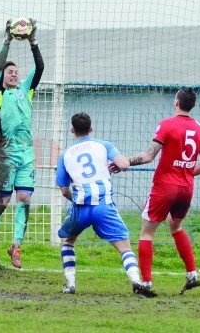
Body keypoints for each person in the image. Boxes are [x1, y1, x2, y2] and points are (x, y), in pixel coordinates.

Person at [123, 87, 200, 296]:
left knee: (147, 232)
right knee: (176, 226)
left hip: (165, 186)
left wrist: (124, 162)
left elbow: (148, 156)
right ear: (194, 106)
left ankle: (145, 284)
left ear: (176, 103)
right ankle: (192, 274)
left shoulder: (167, 125)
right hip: (186, 188)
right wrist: (187, 173)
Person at [55, 113, 153, 296]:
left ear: (72, 130)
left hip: (80, 208)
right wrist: (119, 165)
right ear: (91, 129)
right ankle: (136, 281)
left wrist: (77, 200)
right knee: (124, 247)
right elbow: (123, 164)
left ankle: (70, 284)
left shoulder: (65, 155)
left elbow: (63, 190)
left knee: (68, 241)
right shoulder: (103, 145)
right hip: (104, 206)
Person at [0, 18, 44, 268]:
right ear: (3, 78)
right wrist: (7, 40)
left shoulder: (26, 89)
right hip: (7, 155)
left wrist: (33, 41)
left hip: (27, 155)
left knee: (25, 199)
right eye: (10, 72)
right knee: (2, 202)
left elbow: (39, 67)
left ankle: (16, 246)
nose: (14, 74)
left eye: (16, 71)